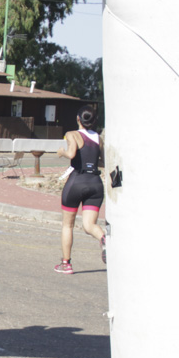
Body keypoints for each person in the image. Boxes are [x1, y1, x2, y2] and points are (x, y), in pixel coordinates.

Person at [54, 105, 106, 274]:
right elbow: (102, 163)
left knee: (67, 225)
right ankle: (104, 239)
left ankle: (66, 263)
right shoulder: (99, 138)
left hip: (77, 182)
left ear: (78, 119)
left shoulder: (72, 134)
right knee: (89, 225)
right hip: (95, 183)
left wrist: (61, 152)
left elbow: (71, 153)